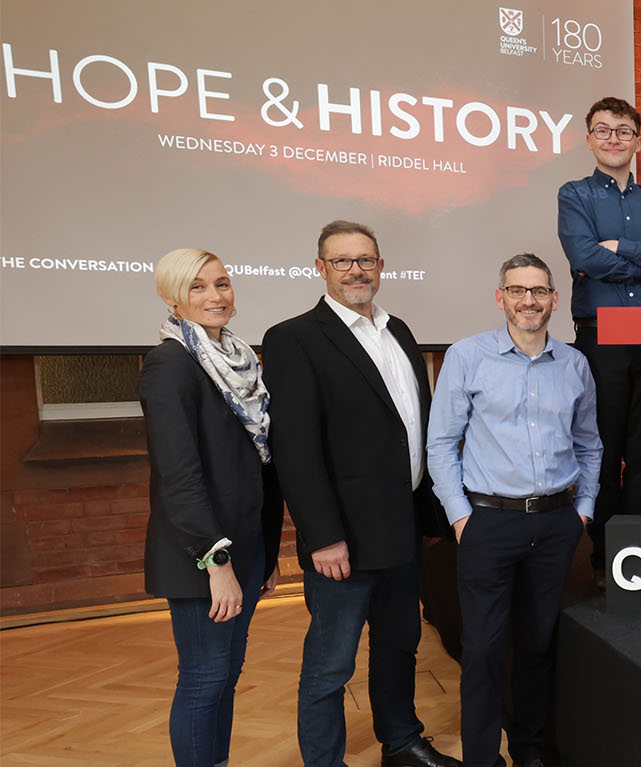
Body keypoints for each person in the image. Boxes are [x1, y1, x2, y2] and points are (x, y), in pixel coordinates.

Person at [263, 220, 459, 767]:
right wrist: (323, 537)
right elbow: (295, 449)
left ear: (380, 265)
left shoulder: (400, 331)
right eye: (342, 261)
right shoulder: (293, 338)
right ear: (320, 268)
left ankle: (401, 743)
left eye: (365, 260)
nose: (356, 270)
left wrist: (429, 516)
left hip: (402, 528)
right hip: (343, 541)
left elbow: (411, 428)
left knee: (399, 645)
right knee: (331, 664)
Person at [428, 254, 601, 767]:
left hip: (555, 524)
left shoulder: (574, 364)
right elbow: (441, 444)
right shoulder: (467, 356)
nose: (530, 300)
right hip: (488, 522)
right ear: (500, 297)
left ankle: (529, 752)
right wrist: (461, 517)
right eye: (518, 290)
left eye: (540, 291)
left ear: (554, 299)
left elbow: (590, 444)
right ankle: (483, 758)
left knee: (537, 645)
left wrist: (582, 511)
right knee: (483, 650)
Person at [141, 248, 281, 767]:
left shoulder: (240, 359)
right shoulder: (170, 364)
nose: (215, 296)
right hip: (202, 553)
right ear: (172, 298)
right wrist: (216, 562)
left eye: (221, 283)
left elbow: (257, 465)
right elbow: (179, 475)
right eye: (197, 287)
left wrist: (265, 552)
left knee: (226, 673)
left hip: (246, 545)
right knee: (204, 678)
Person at [556, 96, 641, 582]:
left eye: (623, 131)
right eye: (603, 130)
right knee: (605, 448)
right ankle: (605, 557)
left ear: (638, 140)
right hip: (602, 337)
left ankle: (640, 553)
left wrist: (623, 248)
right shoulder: (574, 194)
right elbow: (585, 257)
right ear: (589, 139)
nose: (613, 138)